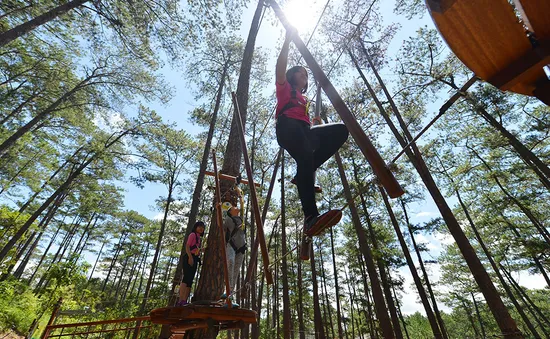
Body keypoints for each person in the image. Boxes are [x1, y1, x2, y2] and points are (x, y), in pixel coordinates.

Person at [275, 28, 349, 233]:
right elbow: (279, 69)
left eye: (306, 75)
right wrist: (287, 41)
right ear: (292, 76)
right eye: (300, 72)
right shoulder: (285, 89)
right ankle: (310, 218)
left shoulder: (304, 98)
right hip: (288, 128)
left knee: (341, 131)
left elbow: (305, 122)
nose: (304, 75)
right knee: (305, 156)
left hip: (304, 130)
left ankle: (303, 175)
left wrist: (315, 124)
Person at [221, 202, 246, 301]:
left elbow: (242, 202)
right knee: (230, 262)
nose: (236, 207)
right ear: (230, 211)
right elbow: (221, 227)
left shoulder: (241, 219)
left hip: (242, 247)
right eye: (233, 207)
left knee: (236, 270)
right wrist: (219, 209)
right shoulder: (228, 219)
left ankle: (231, 292)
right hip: (231, 245)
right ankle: (227, 288)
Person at [176, 221, 205, 306]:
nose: (201, 228)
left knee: (190, 280)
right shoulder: (192, 235)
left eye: (202, 227)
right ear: (196, 227)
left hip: (195, 258)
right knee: (186, 278)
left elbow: (196, 249)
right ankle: (180, 300)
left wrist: (202, 250)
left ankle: (185, 300)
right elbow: (187, 246)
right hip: (189, 257)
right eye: (199, 226)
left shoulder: (199, 238)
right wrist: (190, 257)